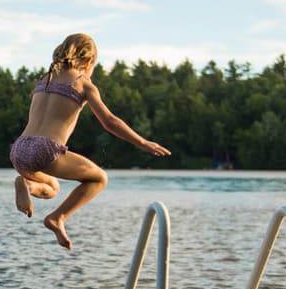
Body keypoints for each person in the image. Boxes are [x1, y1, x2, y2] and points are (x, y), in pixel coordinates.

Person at [10, 33, 171, 249]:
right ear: (88, 61)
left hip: (20, 148)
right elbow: (109, 121)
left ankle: (28, 187)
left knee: (52, 187)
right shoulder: (83, 82)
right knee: (99, 179)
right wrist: (141, 142)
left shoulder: (44, 79)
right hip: (45, 148)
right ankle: (57, 218)